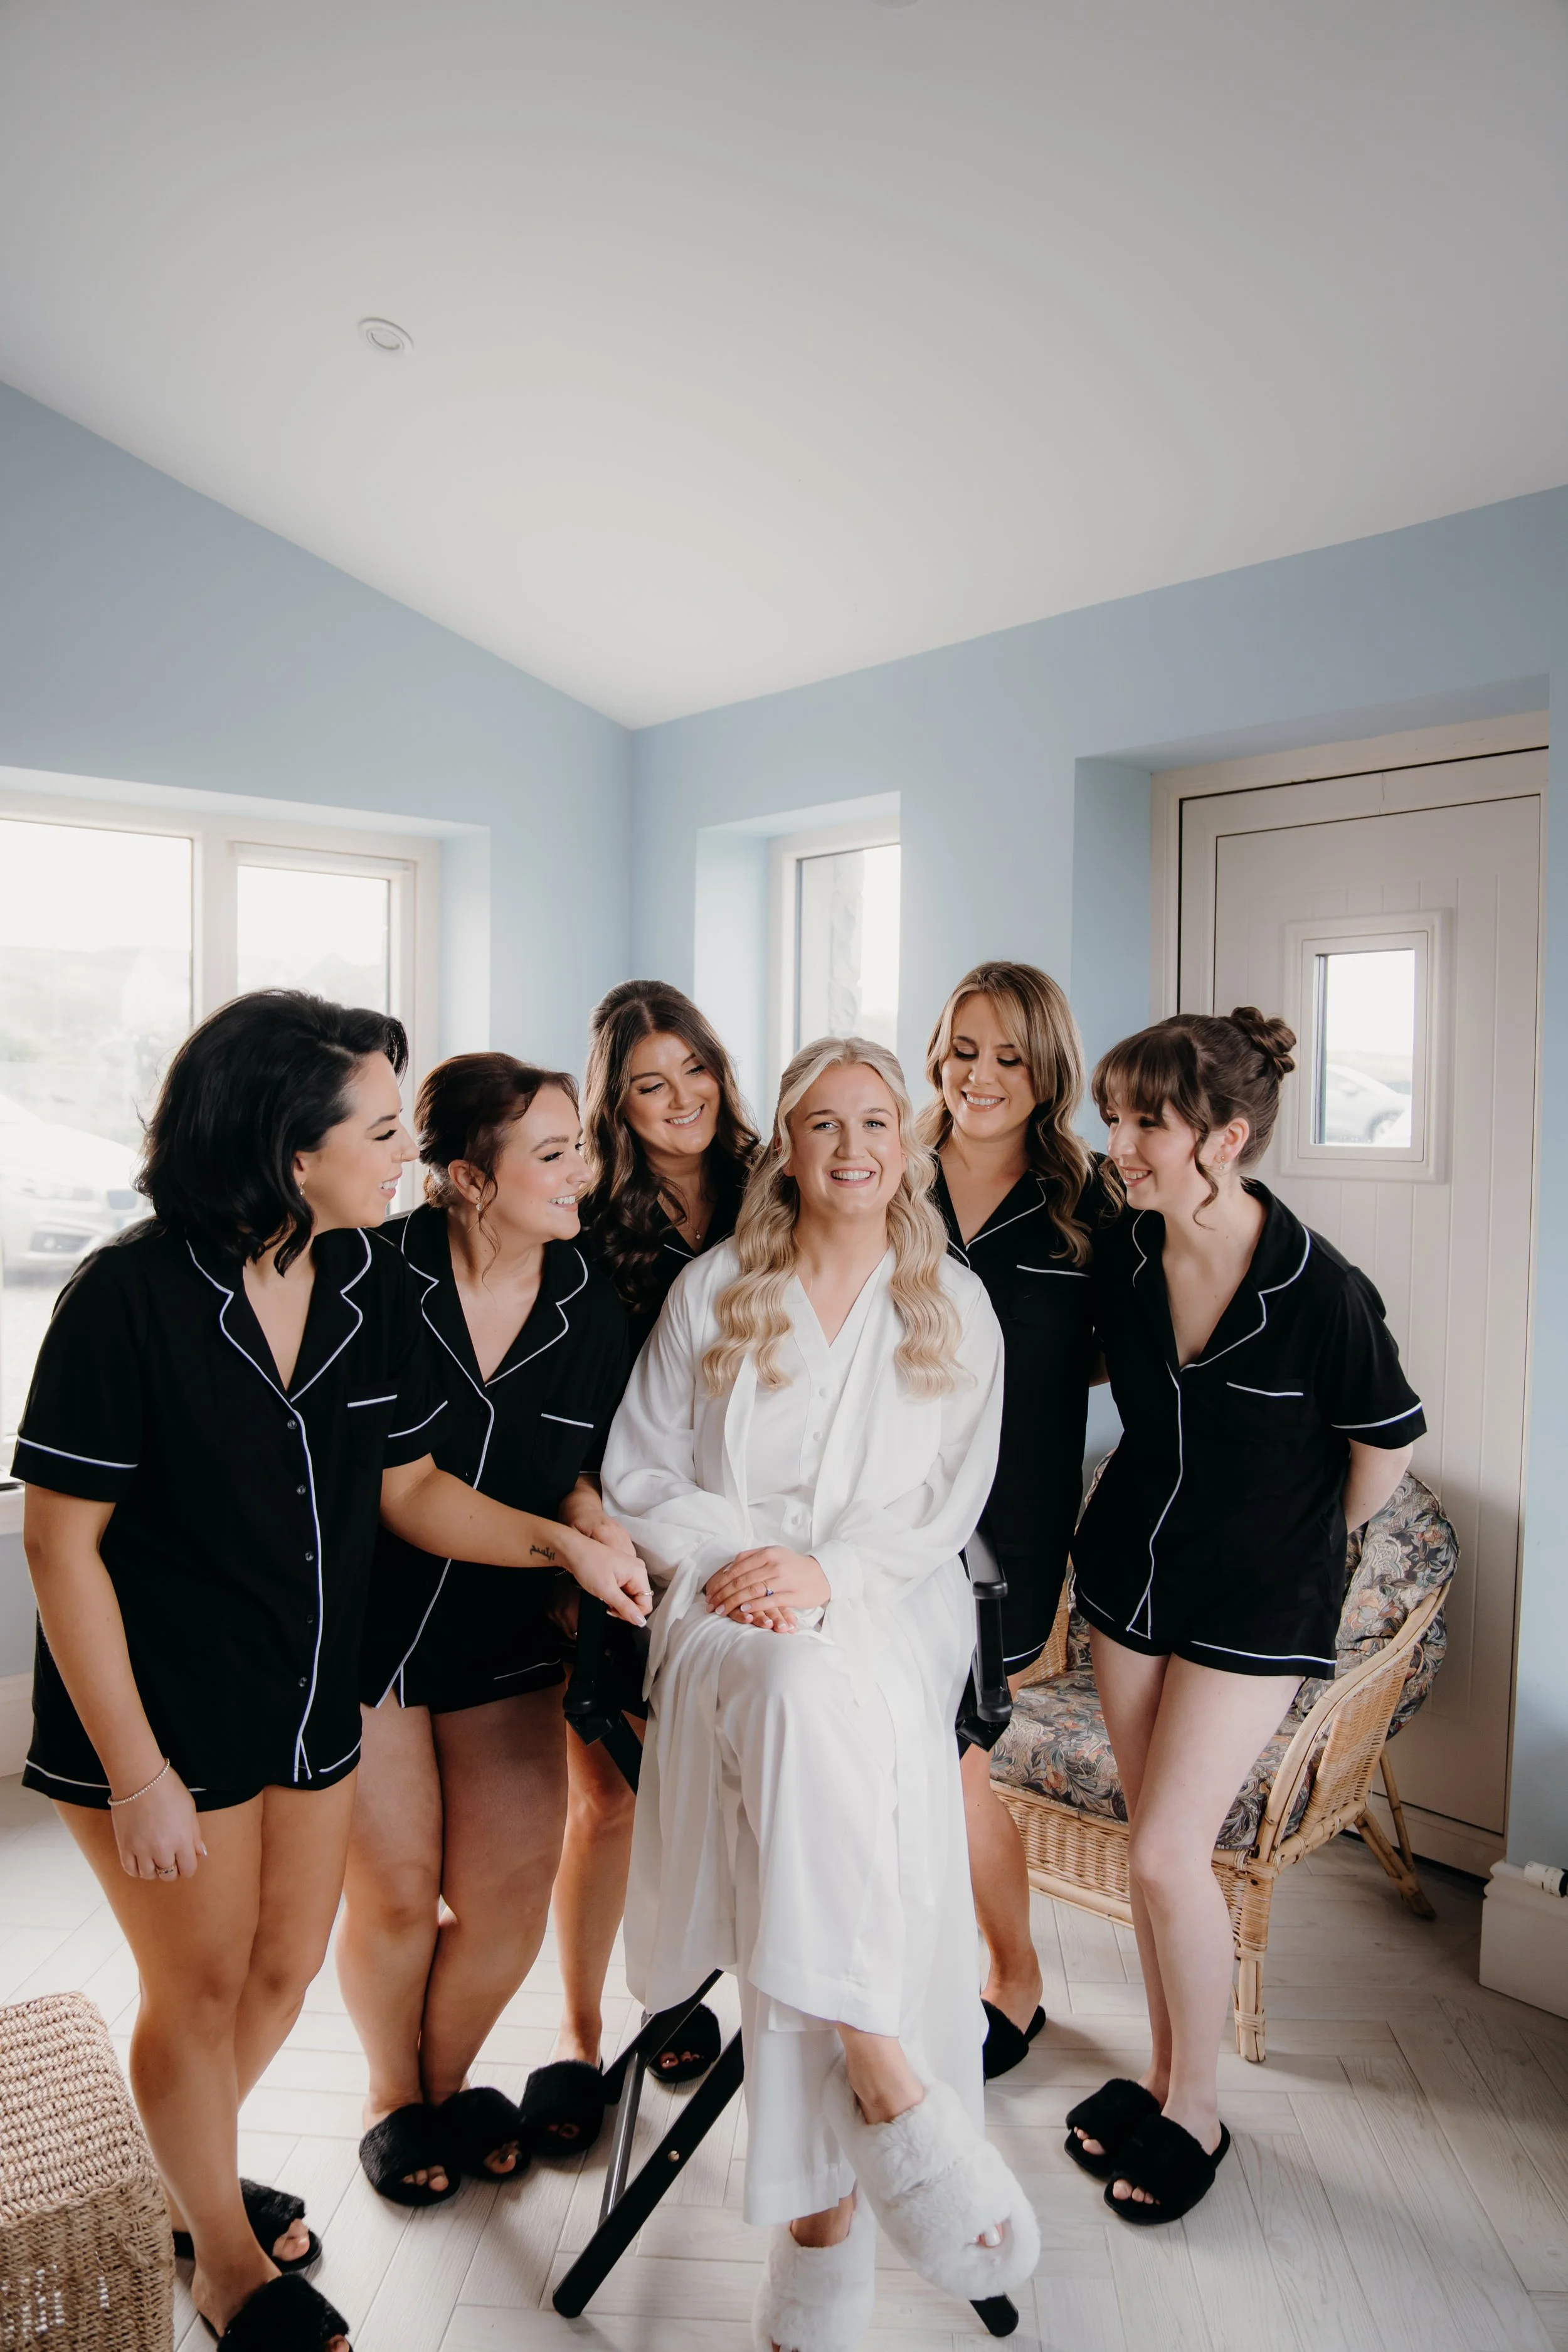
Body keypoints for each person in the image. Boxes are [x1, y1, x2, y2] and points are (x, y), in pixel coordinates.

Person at [13, 993, 648, 2352]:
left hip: (311, 1701)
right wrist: (138, 1780)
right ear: (290, 1151)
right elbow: (59, 1549)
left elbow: (411, 1485)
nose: (402, 1158)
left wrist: (564, 1547)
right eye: (377, 1131)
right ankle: (224, 2259)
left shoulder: (361, 1281)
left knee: (281, 1973)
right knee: (195, 1988)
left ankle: (180, 2182)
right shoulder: (125, 1297)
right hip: (160, 1723)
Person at [602, 1036, 1039, 2352]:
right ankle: (887, 2073)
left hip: (888, 1611)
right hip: (726, 1607)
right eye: (820, 1124)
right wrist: (750, 1564)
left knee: (816, 1744)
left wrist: (826, 1573)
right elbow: (638, 1476)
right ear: (782, 1145)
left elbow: (942, 1509)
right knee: (790, 1691)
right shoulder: (715, 1288)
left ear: (902, 1145)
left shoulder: (953, 1305)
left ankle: (819, 2258)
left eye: (872, 1123)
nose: (851, 1148)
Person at [1064, 1009, 1422, 2226]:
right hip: (1128, 1577)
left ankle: (1199, 2113)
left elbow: (1381, 1444)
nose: (1117, 1141)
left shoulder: (1318, 1288)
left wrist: (1303, 1540)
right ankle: (1164, 2081)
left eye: (1143, 1122)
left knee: (1170, 1851)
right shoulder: (1122, 1247)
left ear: (1223, 1136)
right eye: (1111, 1116)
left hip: (1257, 1599)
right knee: (1145, 1849)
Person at [337, 1054, 637, 2204]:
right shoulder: (370, 1275)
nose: (581, 1173)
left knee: (507, 1895)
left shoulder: (590, 1306)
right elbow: (398, 1490)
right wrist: (567, 1542)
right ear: (466, 1178)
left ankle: (444, 2081)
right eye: (551, 1154)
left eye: (579, 1146)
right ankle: (390, 2098)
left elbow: (573, 1471)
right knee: (402, 1891)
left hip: (511, 1633)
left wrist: (590, 1520)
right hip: (370, 1632)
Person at [546, 980, 761, 2100]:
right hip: (614, 1533)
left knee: (719, 1788)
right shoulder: (584, 1222)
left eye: (695, 1070)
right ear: (615, 1106)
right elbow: (567, 1401)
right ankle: (585, 2035)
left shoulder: (779, 1187)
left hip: (743, 1544)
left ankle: (678, 1984)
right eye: (648, 1084)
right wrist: (582, 1529)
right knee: (610, 1794)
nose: (680, 1099)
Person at [920, 961, 1099, 2080]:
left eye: (1008, 1056)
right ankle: (939, 1976)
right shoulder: (883, 1171)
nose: (980, 1074)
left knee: (955, 1761)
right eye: (963, 1048)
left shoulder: (1091, 1203)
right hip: (874, 1519)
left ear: (1048, 1071)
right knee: (912, 1762)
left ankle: (1013, 1976)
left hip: (1010, 1538)